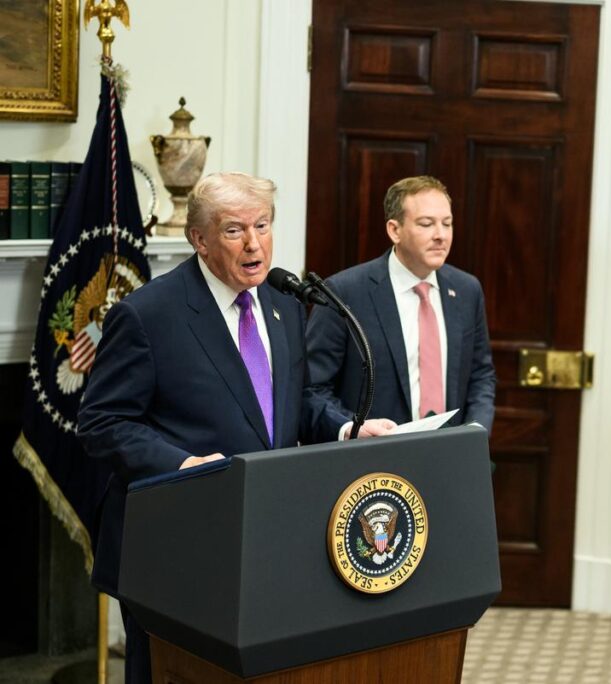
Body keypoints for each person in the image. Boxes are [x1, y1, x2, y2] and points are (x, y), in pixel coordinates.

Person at [77, 172, 393, 682]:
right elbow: (101, 421)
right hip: (175, 544)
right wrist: (184, 466)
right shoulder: (149, 314)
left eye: (262, 225)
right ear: (199, 239)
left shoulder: (283, 301)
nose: (254, 244)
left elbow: (291, 403)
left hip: (262, 538)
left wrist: (345, 430)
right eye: (234, 230)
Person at [306, 175, 496, 436]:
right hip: (373, 459)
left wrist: (476, 430)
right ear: (394, 230)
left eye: (447, 224)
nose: (441, 235)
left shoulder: (466, 289)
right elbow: (313, 387)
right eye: (427, 224)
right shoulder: (344, 292)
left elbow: (481, 375)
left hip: (449, 457)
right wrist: (351, 427)